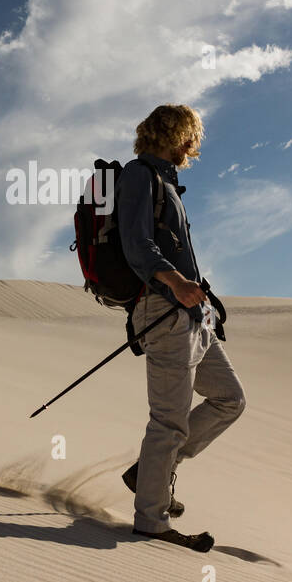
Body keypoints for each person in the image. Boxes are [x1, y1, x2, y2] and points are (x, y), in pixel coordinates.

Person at [116, 104, 245, 552]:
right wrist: (174, 280)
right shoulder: (139, 176)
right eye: (192, 136)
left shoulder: (167, 184)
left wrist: (200, 299)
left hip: (192, 315)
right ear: (178, 135)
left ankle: (148, 472)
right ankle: (150, 520)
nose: (195, 146)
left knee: (230, 398)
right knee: (168, 420)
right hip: (163, 310)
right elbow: (137, 244)